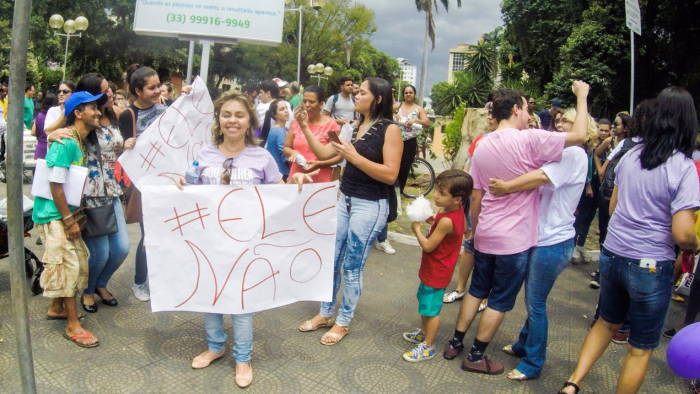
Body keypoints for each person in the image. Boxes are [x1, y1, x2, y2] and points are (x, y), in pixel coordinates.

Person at [557, 86, 699, 394]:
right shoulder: (684, 167)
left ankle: (572, 384)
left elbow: (612, 208)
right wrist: (694, 245)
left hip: (614, 255)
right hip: (651, 265)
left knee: (605, 323)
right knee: (639, 348)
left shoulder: (631, 155)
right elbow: (682, 233)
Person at [443, 82, 590, 375]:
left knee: (476, 290)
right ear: (515, 109)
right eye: (526, 108)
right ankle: (475, 356)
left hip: (486, 233)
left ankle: (455, 342)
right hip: (514, 240)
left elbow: (475, 194)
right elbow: (582, 135)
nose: (528, 113)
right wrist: (582, 97)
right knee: (499, 300)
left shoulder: (482, 144)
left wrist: (474, 230)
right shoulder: (530, 140)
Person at [175, 91, 311, 388]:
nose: (232, 120)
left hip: (246, 244)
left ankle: (243, 357)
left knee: (240, 299)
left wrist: (297, 181)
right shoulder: (205, 154)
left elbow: (282, 194)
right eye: (226, 114)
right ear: (218, 120)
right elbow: (191, 189)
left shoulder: (262, 157)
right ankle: (215, 346)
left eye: (239, 115)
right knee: (210, 295)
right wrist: (182, 184)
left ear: (250, 120)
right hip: (209, 240)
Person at [488, 107, 593, 380]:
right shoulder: (561, 152)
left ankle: (533, 363)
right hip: (543, 237)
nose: (559, 125)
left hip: (553, 241)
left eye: (567, 121)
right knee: (534, 299)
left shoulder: (574, 152)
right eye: (558, 121)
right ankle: (524, 344)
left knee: (535, 303)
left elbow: (540, 178)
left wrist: (506, 187)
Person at [297, 77, 403, 345]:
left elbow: (390, 175)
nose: (356, 95)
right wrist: (304, 127)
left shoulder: (390, 130)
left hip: (370, 204)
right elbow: (326, 153)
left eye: (362, 92)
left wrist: (354, 156)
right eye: (356, 92)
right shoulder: (354, 126)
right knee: (332, 260)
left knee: (352, 267)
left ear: (377, 99)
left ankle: (343, 322)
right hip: (345, 199)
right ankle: (325, 313)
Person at [50, 73, 130, 313]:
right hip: (90, 193)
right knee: (100, 253)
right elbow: (51, 130)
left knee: (122, 248)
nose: (109, 94)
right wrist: (52, 134)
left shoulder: (114, 114)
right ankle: (87, 290)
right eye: (104, 91)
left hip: (113, 190)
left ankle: (100, 284)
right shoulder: (86, 116)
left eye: (109, 90)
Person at [32, 91, 107, 348]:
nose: (98, 112)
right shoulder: (66, 143)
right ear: (78, 113)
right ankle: (73, 325)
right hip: (54, 215)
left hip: (65, 214)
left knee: (78, 261)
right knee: (68, 266)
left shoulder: (79, 140)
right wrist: (67, 219)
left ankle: (56, 308)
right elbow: (55, 184)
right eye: (93, 108)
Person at [402, 170, 472, 362]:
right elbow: (464, 230)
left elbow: (428, 246)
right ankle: (423, 333)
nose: (436, 196)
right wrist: (434, 221)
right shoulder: (453, 212)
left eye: (442, 193)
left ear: (457, 198)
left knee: (431, 310)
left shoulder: (447, 219)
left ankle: (428, 346)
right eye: (437, 190)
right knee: (424, 302)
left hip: (437, 271)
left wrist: (417, 229)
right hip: (434, 269)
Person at [119, 66, 168, 302]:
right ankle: (139, 281)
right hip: (145, 185)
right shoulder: (128, 115)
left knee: (167, 233)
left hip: (169, 181)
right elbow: (126, 153)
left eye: (159, 85)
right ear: (137, 90)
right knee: (149, 235)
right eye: (152, 87)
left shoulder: (166, 108)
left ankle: (161, 279)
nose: (158, 90)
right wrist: (127, 144)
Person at [375, 84, 431, 255]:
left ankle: (397, 194)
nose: (408, 95)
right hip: (394, 139)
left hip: (409, 142)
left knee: (403, 172)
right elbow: (384, 112)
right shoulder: (396, 106)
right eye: (405, 92)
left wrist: (416, 121)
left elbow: (427, 123)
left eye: (410, 92)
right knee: (391, 169)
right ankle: (392, 194)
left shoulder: (418, 108)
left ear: (414, 94)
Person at [283, 85, 341, 183]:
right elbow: (286, 148)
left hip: (320, 178)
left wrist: (319, 163)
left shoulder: (331, 125)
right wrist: (294, 153)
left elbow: (340, 156)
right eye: (304, 101)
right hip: (296, 177)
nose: (307, 105)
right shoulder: (296, 122)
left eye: (312, 102)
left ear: (321, 104)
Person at [259, 99, 290, 181]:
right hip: (282, 174)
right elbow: (284, 155)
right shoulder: (278, 131)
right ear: (274, 114)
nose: (286, 111)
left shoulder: (285, 129)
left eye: (286, 108)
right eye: (282, 109)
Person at [32, 93, 58, 161]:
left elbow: (33, 132)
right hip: (52, 147)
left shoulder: (39, 115)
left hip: (40, 147)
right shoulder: (56, 117)